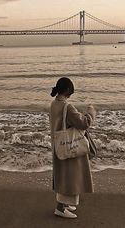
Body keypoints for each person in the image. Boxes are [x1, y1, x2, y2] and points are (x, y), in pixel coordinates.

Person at [49, 77, 96, 219]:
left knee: (63, 176)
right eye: (71, 91)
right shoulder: (67, 107)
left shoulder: (54, 104)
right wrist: (91, 111)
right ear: (68, 90)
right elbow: (84, 123)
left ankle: (64, 204)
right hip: (70, 146)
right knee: (71, 177)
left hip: (59, 145)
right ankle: (60, 208)